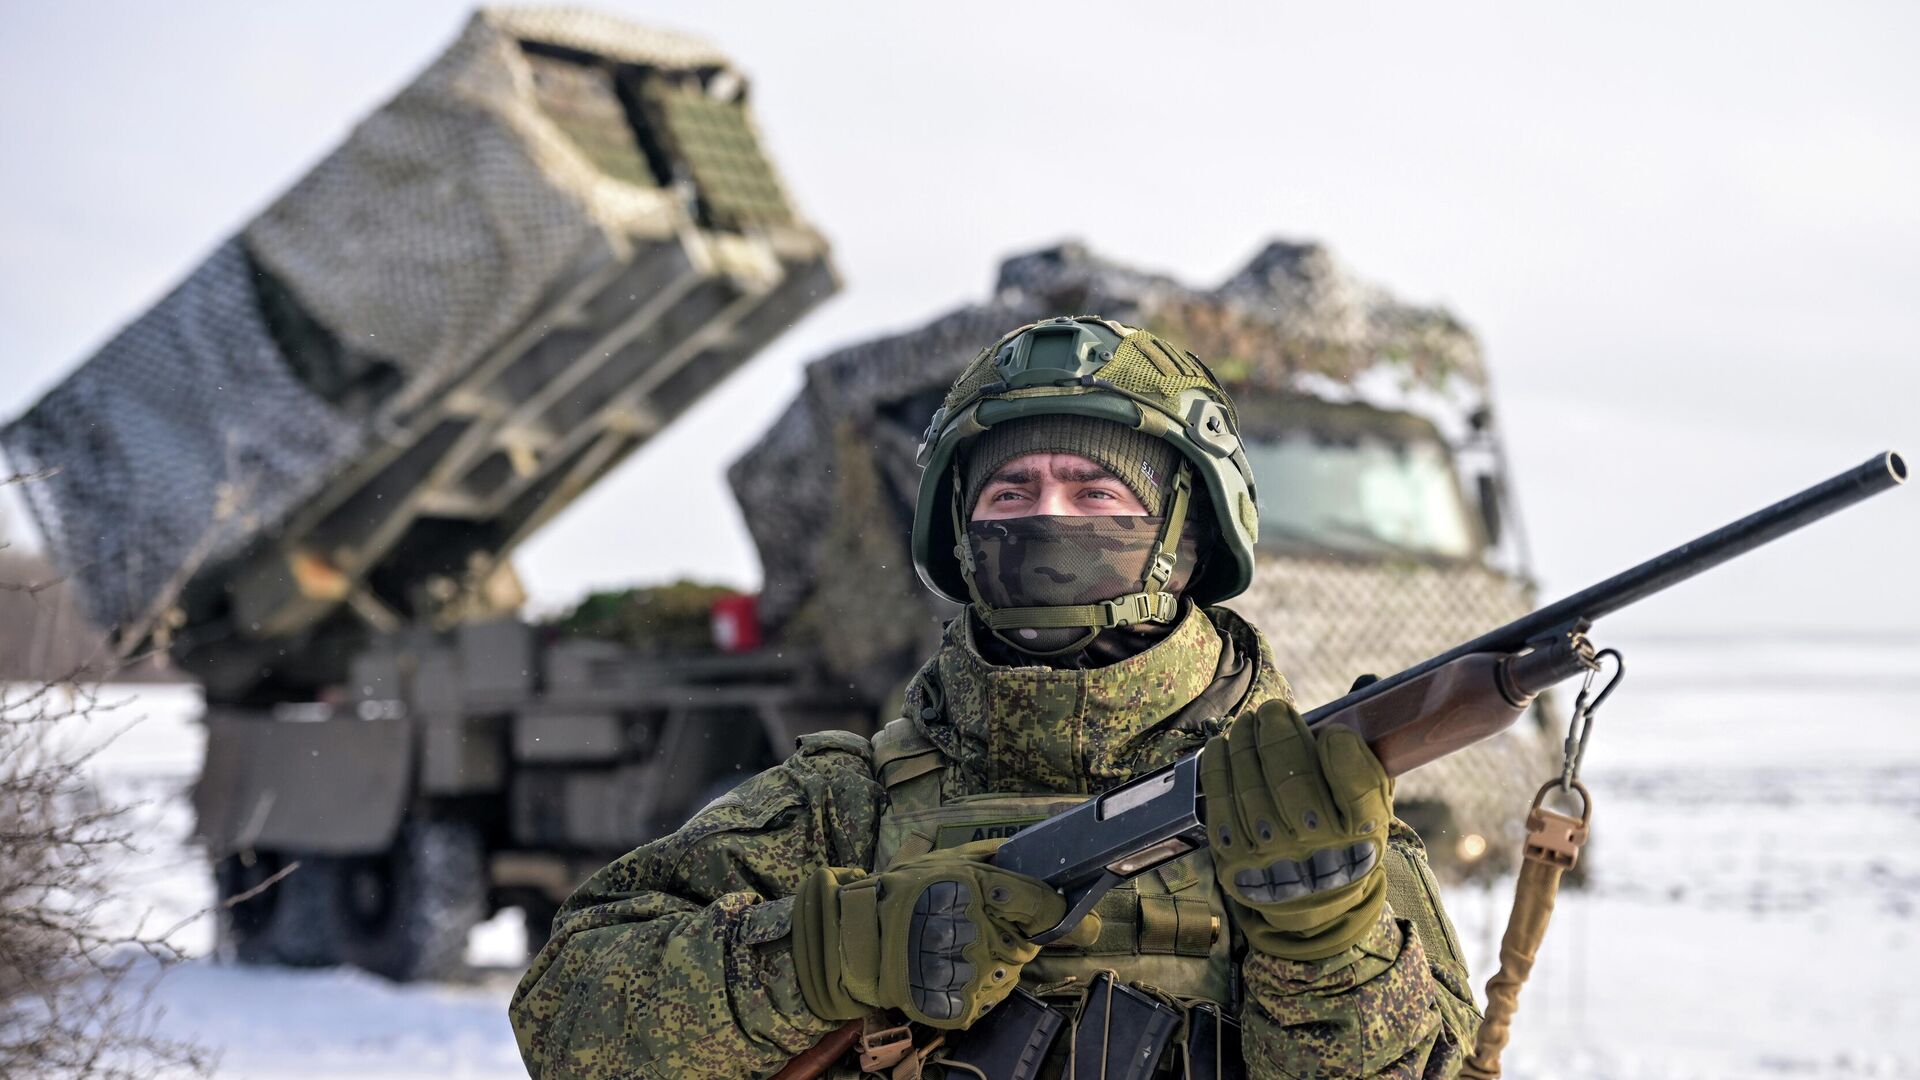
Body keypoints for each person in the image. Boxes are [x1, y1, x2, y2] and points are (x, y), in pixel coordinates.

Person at [509, 317, 1482, 1079]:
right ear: (961, 537)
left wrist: (1327, 944)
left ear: (1191, 535)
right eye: (1010, 494)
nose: (1048, 518)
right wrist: (823, 954)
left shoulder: (1297, 810)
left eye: (1096, 493)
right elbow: (565, 1020)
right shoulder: (845, 808)